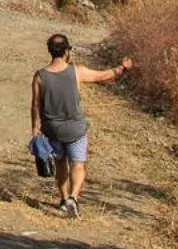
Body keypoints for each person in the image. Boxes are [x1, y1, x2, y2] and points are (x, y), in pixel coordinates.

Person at [29, 32, 131, 218]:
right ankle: (73, 198)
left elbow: (35, 105)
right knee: (78, 165)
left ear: (50, 52)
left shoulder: (40, 76)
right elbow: (103, 76)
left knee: (60, 165)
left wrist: (36, 127)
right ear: (67, 51)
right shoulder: (76, 71)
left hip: (53, 130)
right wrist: (122, 68)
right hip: (75, 129)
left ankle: (63, 199)